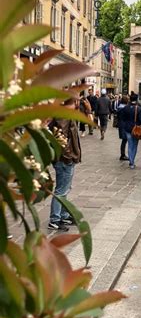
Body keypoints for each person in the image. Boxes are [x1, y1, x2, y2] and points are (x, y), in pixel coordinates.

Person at [48, 97, 82, 232]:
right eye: (76, 102)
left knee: (65, 189)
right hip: (64, 159)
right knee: (61, 190)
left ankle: (63, 215)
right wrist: (68, 156)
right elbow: (61, 138)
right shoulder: (63, 115)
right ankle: (55, 219)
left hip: (65, 158)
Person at [121, 94, 141, 169]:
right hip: (136, 129)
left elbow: (123, 118)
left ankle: (131, 162)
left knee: (130, 145)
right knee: (134, 145)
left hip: (127, 129)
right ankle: (132, 161)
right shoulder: (138, 108)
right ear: (136, 99)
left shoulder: (126, 108)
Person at [117, 95, 130, 161]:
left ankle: (123, 154)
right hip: (124, 126)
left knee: (124, 140)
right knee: (124, 140)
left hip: (121, 125)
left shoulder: (120, 107)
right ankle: (122, 155)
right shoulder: (124, 108)